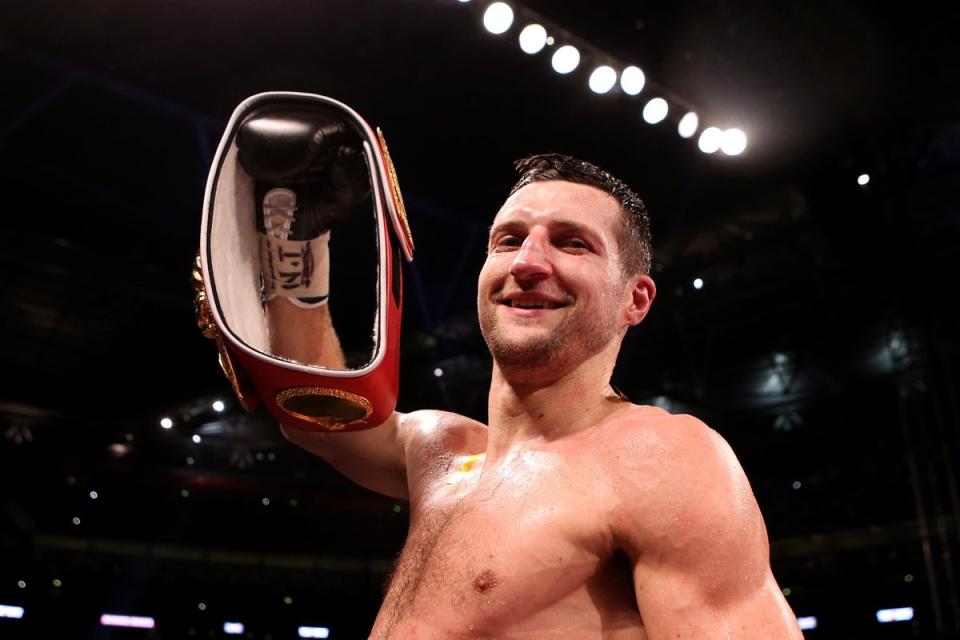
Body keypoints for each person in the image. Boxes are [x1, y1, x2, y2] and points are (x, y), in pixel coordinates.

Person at [272, 154, 803, 638]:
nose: (526, 262)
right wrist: (298, 243)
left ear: (634, 300)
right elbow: (309, 412)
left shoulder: (659, 458)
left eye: (572, 242)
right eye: (508, 239)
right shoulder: (439, 449)